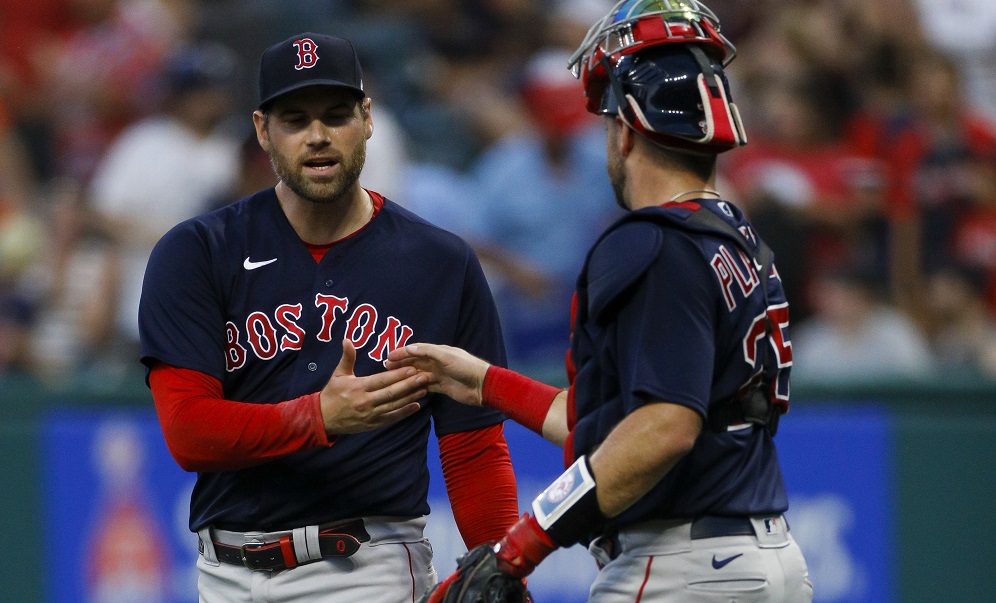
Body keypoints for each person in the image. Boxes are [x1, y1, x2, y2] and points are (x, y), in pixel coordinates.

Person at [387, 1, 812, 601]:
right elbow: (612, 425)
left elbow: (663, 428)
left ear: (627, 126)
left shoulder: (652, 241)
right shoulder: (736, 238)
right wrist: (486, 381)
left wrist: (521, 547)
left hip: (680, 566)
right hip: (760, 555)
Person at [137, 32, 519, 602]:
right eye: (295, 119)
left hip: (367, 567)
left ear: (367, 119)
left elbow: (473, 445)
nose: (317, 136)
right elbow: (189, 431)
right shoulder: (196, 251)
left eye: (336, 115)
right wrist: (318, 416)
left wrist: (505, 572)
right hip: (225, 573)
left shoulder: (440, 262)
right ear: (263, 130)